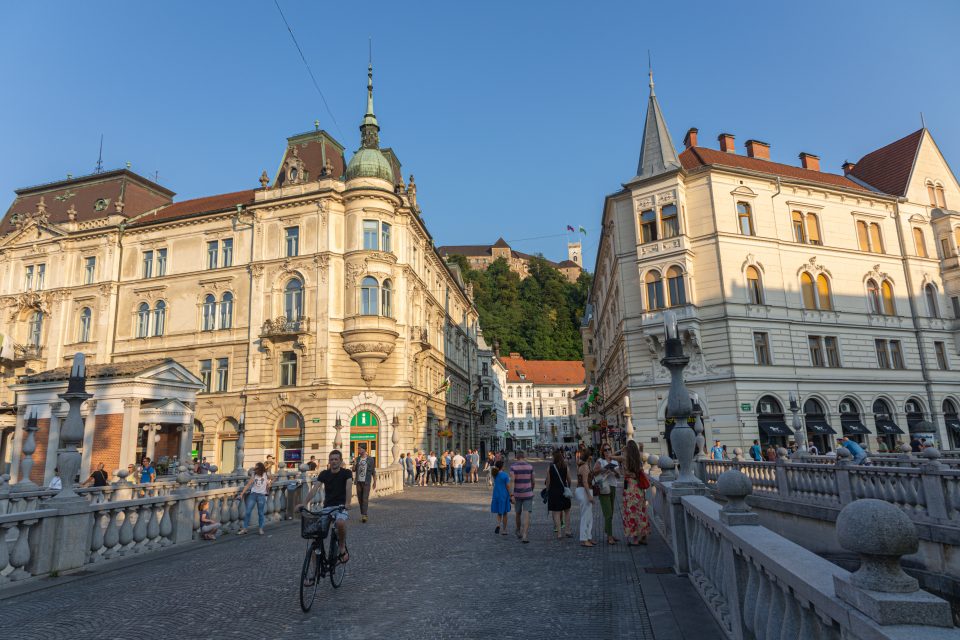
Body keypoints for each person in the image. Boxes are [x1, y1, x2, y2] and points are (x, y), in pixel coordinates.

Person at [302, 449, 353, 567]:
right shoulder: (324, 474)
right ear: (329, 461)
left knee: (340, 523)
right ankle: (313, 572)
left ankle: (341, 547)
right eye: (331, 459)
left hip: (341, 507)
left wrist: (348, 503)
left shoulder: (346, 473)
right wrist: (304, 503)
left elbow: (349, 487)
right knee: (315, 537)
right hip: (327, 508)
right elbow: (315, 489)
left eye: (336, 459)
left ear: (340, 461)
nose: (334, 461)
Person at [621, 441, 650, 545]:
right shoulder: (639, 458)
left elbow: (612, 456)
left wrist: (623, 449)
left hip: (630, 488)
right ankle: (643, 536)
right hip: (639, 488)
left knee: (631, 512)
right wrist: (641, 447)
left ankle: (635, 539)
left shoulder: (625, 458)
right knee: (641, 511)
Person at [593, 444, 621, 545]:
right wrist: (603, 469)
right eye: (605, 450)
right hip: (603, 488)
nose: (607, 451)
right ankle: (609, 537)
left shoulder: (614, 461)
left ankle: (608, 531)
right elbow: (594, 472)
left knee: (611, 512)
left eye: (609, 449)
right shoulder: (600, 461)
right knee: (608, 513)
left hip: (612, 487)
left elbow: (619, 476)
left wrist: (613, 471)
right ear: (602, 451)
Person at [545, 449, 573, 540]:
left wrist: (547, 490)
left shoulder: (550, 467)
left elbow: (548, 482)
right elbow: (569, 480)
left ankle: (559, 533)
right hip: (564, 491)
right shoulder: (566, 466)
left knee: (556, 513)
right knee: (567, 511)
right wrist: (568, 487)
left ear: (554, 457)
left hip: (554, 492)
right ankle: (568, 531)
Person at [238, 462, 272, 535]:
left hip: (262, 495)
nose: (255, 469)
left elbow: (273, 478)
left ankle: (261, 529)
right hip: (253, 494)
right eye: (255, 468)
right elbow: (248, 484)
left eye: (256, 468)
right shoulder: (254, 474)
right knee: (247, 512)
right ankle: (245, 529)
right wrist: (241, 494)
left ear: (260, 468)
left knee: (260, 513)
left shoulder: (266, 474)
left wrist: (269, 483)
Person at [509, 450, 535, 543]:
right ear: (524, 456)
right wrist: (531, 490)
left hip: (517, 494)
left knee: (518, 513)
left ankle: (518, 530)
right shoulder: (530, 466)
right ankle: (525, 535)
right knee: (527, 514)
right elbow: (533, 481)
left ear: (516, 457)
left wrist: (511, 494)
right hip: (528, 493)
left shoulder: (513, 467)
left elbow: (512, 481)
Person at [352, 444, 377, 523]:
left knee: (365, 498)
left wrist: (375, 482)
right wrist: (354, 463)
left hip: (366, 482)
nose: (358, 450)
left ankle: (364, 515)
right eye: (358, 449)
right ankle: (362, 513)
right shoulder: (357, 459)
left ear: (364, 449)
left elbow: (373, 471)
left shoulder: (370, 459)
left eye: (359, 449)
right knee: (360, 499)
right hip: (358, 482)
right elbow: (353, 470)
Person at [575, 453, 596, 547]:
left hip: (585, 490)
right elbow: (585, 482)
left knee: (589, 516)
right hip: (584, 491)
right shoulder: (584, 466)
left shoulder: (585, 465)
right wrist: (589, 496)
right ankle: (584, 539)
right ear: (588, 457)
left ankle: (588, 536)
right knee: (585, 516)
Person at [490, 460, 511, 535]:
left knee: (499, 512)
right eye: (504, 465)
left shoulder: (494, 474)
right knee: (505, 513)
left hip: (496, 494)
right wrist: (511, 495)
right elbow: (508, 486)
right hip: (504, 495)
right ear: (502, 467)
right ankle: (504, 530)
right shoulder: (505, 475)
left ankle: (498, 524)